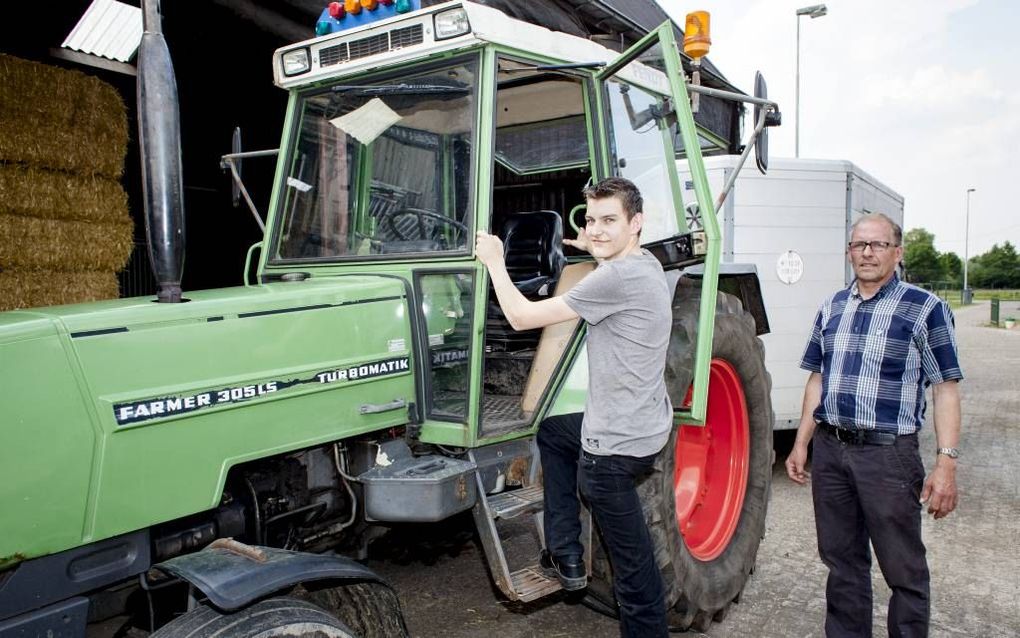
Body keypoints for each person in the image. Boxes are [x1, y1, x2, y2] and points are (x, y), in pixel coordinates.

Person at [475, 177, 672, 637]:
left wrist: (495, 263)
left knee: (635, 577)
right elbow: (611, 252)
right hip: (643, 426)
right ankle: (564, 549)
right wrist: (598, 244)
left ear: (636, 223)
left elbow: (521, 318)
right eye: (590, 220)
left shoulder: (616, 277)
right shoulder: (644, 262)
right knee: (554, 430)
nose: (597, 229)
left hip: (613, 450)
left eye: (610, 220)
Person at [785, 212, 963, 638]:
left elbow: (946, 389)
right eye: (858, 245)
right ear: (849, 252)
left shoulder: (925, 309)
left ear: (897, 253)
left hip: (888, 457)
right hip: (831, 452)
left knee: (903, 570)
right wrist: (801, 444)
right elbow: (818, 378)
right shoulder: (832, 306)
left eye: (878, 244)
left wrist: (946, 464)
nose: (866, 253)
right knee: (842, 563)